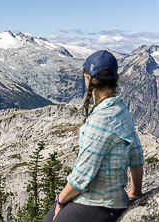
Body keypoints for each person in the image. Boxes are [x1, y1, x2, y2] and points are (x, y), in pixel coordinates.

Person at [43, 50, 144, 222]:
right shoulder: (120, 110)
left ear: (87, 76)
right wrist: (135, 191)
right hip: (106, 200)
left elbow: (82, 174)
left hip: (97, 203)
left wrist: (60, 201)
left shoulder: (101, 119)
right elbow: (136, 154)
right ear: (116, 79)